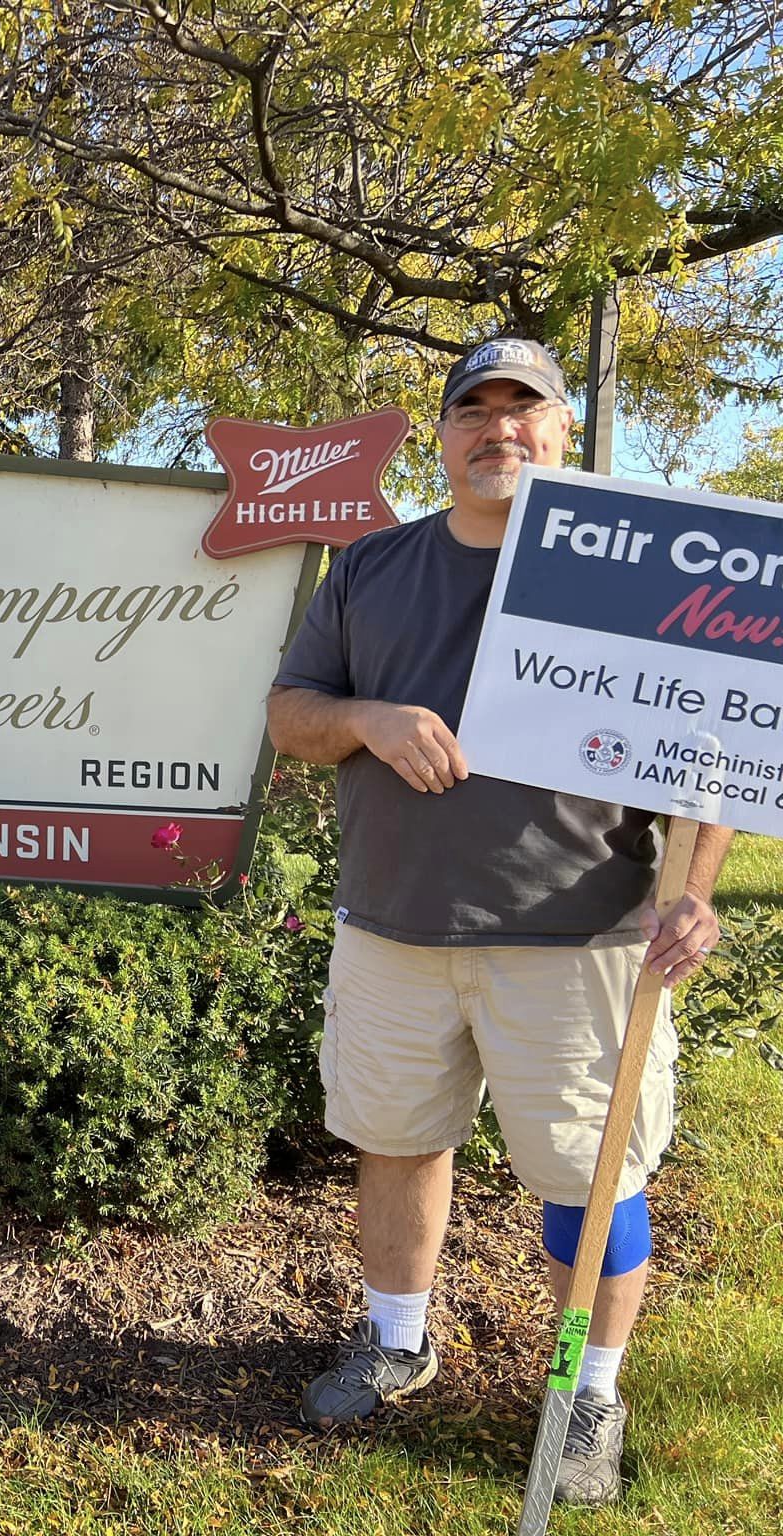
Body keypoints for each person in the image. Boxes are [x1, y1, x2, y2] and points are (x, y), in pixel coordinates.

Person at [267, 338, 733, 1505]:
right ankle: (393, 1338)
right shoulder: (370, 570)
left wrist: (693, 888)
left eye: (521, 411)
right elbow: (288, 715)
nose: (496, 431)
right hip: (391, 929)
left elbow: (705, 756)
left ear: (560, 431)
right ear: (439, 436)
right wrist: (366, 719)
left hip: (572, 941)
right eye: (470, 411)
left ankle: (586, 1397)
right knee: (397, 1138)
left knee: (590, 1181)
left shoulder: (630, 573)